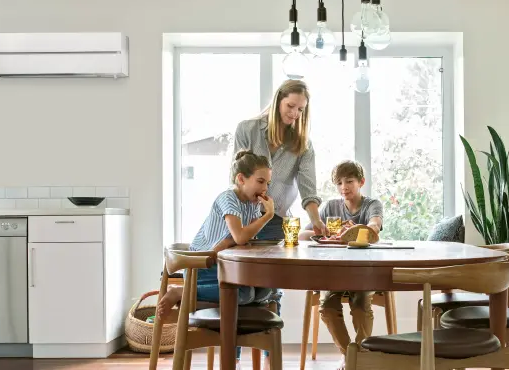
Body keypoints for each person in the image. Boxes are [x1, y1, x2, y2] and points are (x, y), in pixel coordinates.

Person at [156, 150, 280, 369]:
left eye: (267, 184)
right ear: (241, 179)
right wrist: (267, 216)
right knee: (244, 293)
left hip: (221, 265)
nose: (264, 189)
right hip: (201, 268)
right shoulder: (228, 198)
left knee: (268, 290)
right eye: (260, 181)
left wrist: (228, 242)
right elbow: (241, 236)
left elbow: (239, 240)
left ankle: (239, 354)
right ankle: (182, 292)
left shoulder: (250, 203)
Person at [300, 160, 383, 370]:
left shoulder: (372, 204)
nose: (343, 187)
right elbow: (302, 234)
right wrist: (326, 233)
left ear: (361, 182)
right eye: (339, 183)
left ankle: (359, 356)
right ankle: (352, 357)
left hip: (365, 272)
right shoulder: (330, 207)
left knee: (360, 304)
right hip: (335, 271)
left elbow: (374, 228)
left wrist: (354, 230)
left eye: (349, 181)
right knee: (326, 307)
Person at [231, 79, 324, 240]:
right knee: (240, 264)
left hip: (276, 222)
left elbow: (308, 190)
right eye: (290, 106)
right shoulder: (247, 129)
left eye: (300, 109)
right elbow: (237, 176)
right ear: (278, 100)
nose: (295, 113)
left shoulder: (304, 145)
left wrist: (316, 221)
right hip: (243, 216)